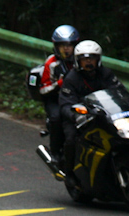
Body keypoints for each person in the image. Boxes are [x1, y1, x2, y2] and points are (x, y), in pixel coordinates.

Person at [59, 40, 124, 182]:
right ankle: (69, 173)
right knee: (71, 139)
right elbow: (65, 103)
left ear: (98, 60)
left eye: (92, 58)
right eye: (84, 59)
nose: (88, 62)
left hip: (103, 115)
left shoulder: (106, 74)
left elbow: (119, 92)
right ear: (78, 61)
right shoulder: (72, 78)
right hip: (80, 117)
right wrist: (75, 115)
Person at [39, 25, 80, 166]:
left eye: (69, 45)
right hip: (55, 99)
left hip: (77, 98)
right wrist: (60, 83)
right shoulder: (51, 63)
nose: (66, 49)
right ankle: (55, 152)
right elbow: (43, 89)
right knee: (57, 118)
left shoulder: (82, 60)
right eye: (62, 45)